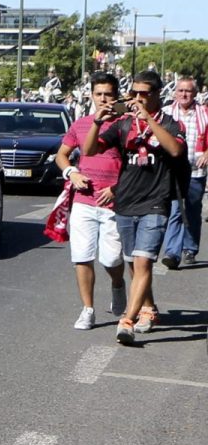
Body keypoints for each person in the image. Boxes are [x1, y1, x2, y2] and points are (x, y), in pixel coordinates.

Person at [81, 69, 187, 345]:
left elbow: (175, 151)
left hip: (155, 202)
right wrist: (97, 122)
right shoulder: (123, 124)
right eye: (135, 93)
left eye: (145, 93)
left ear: (157, 94)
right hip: (126, 202)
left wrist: (149, 119)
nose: (138, 98)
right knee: (133, 264)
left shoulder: (171, 124)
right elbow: (90, 150)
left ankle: (126, 320)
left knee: (143, 261)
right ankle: (148, 309)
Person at [56, 73, 128, 331]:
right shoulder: (81, 124)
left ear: (116, 96)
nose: (103, 99)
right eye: (98, 94)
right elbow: (62, 155)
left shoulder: (126, 124)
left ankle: (118, 285)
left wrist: (116, 189)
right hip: (84, 201)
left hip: (113, 204)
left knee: (111, 259)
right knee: (82, 257)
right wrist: (71, 172)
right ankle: (87, 309)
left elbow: (135, 166)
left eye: (108, 94)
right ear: (91, 96)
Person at [159, 74, 208, 269]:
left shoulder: (204, 113)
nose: (184, 94)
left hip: (196, 171)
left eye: (188, 90)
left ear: (195, 93)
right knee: (175, 211)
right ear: (175, 92)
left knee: (193, 211)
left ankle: (190, 249)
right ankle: (172, 252)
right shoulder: (165, 113)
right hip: (171, 172)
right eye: (181, 90)